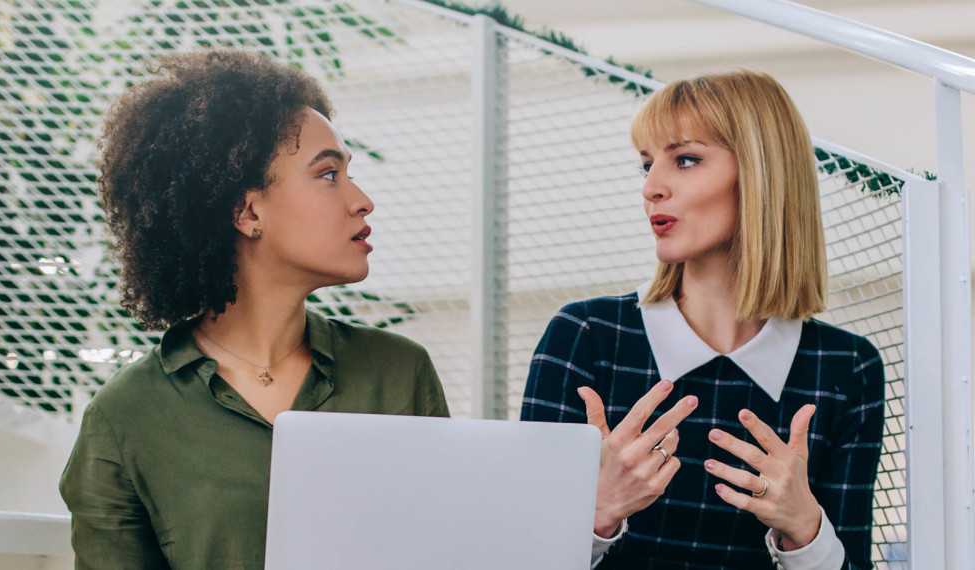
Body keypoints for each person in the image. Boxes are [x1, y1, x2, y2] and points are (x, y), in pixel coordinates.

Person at [59, 50, 449, 569]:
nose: (362, 200)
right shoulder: (124, 420)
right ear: (247, 211)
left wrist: (596, 520)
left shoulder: (399, 374)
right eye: (329, 175)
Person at [522, 70, 884, 569]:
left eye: (685, 159)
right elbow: (516, 556)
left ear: (761, 174)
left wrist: (805, 529)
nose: (651, 187)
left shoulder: (847, 367)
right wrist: (600, 513)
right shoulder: (585, 338)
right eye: (647, 165)